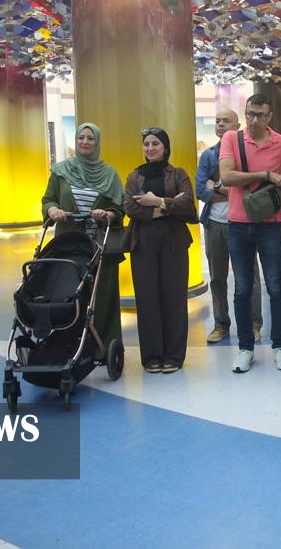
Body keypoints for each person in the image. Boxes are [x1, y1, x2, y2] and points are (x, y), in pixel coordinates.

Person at [219, 93, 281, 373]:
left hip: (270, 224)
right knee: (242, 288)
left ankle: (280, 346)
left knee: (276, 287)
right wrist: (265, 175)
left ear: (269, 117)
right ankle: (245, 348)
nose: (254, 120)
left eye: (260, 115)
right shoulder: (232, 139)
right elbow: (227, 177)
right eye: (250, 114)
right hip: (238, 224)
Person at [42, 122, 124, 357]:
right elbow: (48, 199)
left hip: (100, 246)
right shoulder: (61, 171)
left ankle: (102, 347)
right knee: (68, 294)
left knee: (102, 295)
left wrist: (107, 214)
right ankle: (66, 346)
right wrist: (52, 210)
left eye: (90, 138)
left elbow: (119, 208)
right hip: (68, 246)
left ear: (97, 143)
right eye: (81, 138)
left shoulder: (109, 174)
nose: (85, 142)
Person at [123, 127, 198, 374]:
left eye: (155, 143)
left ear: (165, 147)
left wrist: (156, 201)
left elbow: (188, 204)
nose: (150, 148)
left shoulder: (178, 173)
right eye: (146, 144)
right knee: (147, 297)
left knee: (174, 297)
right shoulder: (134, 176)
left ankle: (174, 356)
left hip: (174, 240)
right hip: (143, 241)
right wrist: (167, 208)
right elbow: (130, 207)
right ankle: (151, 356)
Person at [195, 109, 263, 344]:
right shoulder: (208, 156)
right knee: (217, 277)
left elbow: (253, 188)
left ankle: (253, 324)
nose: (220, 124)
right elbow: (200, 190)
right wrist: (231, 187)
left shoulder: (247, 152)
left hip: (243, 223)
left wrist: (217, 185)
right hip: (214, 224)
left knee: (249, 277)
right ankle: (221, 324)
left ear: (237, 126)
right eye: (217, 121)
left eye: (226, 121)